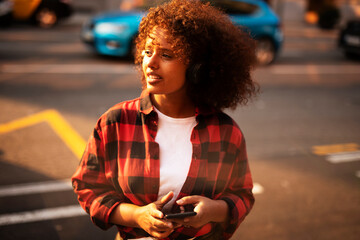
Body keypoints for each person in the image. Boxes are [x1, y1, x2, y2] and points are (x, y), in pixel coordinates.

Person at [72, 0, 258, 239]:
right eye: (148, 51)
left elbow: (242, 195)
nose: (150, 62)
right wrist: (135, 215)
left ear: (197, 67)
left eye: (166, 54)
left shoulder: (226, 132)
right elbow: (87, 186)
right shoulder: (115, 122)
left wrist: (215, 210)